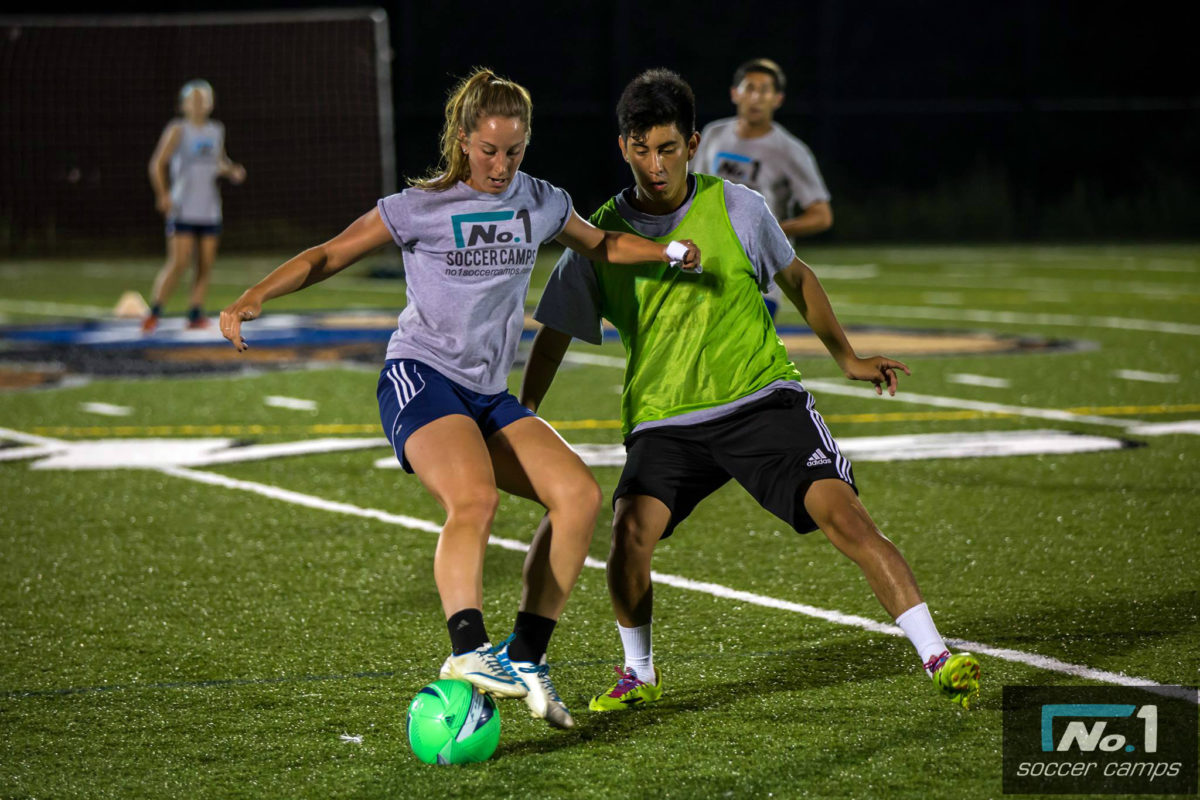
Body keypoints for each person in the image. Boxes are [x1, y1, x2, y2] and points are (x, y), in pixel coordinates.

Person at [218, 68, 700, 730]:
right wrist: (257, 294)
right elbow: (330, 255)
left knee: (580, 497)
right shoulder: (419, 208)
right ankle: (469, 649)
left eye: (513, 151)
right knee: (474, 498)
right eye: (488, 150)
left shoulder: (540, 201)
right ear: (462, 138)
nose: (501, 166)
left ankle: (526, 654)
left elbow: (602, 243)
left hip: (486, 392)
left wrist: (666, 250)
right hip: (421, 376)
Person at [522, 68, 981, 714]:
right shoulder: (600, 237)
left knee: (843, 514)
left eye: (669, 149)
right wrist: (527, 413)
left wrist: (845, 358)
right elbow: (554, 333)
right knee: (629, 534)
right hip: (665, 420)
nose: (656, 165)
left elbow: (797, 278)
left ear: (691, 144)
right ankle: (638, 671)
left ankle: (938, 654)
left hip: (761, 400)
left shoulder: (738, 206)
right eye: (642, 149)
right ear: (623, 146)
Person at [691, 58, 832, 320]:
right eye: (749, 88)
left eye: (765, 90)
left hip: (760, 276)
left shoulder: (790, 151)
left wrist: (774, 229)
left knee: (738, 353)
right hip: (708, 266)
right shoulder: (713, 134)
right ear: (735, 93)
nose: (756, 97)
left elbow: (821, 215)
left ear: (777, 99)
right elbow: (690, 189)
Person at [143, 80, 246, 334]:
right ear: (184, 104)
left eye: (204, 99)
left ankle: (195, 312)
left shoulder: (216, 130)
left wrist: (232, 170)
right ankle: (154, 312)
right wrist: (163, 194)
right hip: (183, 207)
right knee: (179, 262)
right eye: (194, 99)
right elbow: (157, 164)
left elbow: (217, 162)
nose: (200, 104)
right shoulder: (178, 129)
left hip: (209, 208)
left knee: (205, 264)